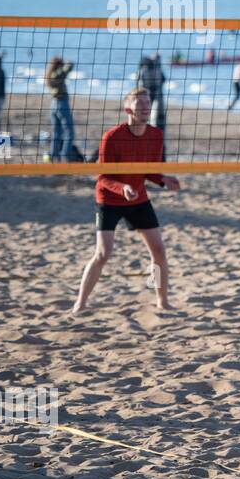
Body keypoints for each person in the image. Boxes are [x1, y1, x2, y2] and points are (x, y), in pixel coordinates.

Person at [72, 87, 181, 314]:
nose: (145, 108)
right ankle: (80, 303)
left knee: (159, 251)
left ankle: (162, 300)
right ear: (128, 110)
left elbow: (149, 171)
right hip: (110, 199)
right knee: (103, 253)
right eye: (140, 105)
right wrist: (123, 188)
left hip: (138, 198)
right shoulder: (112, 137)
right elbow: (102, 177)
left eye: (147, 104)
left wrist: (163, 180)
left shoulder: (156, 135)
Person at [45, 56, 75, 162]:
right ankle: (65, 156)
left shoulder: (50, 75)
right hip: (62, 104)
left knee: (56, 133)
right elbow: (70, 65)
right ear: (58, 65)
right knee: (69, 132)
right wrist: (65, 62)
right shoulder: (57, 74)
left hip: (54, 104)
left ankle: (54, 156)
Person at [137, 53, 167, 131]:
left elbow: (163, 80)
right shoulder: (145, 69)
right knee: (151, 116)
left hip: (155, 94)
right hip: (148, 95)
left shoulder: (155, 69)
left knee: (157, 117)